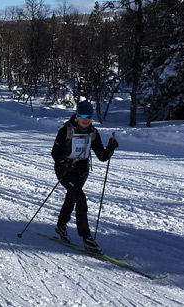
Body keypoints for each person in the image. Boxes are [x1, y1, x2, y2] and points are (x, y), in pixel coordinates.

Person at [51, 100, 118, 254]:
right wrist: (63, 162)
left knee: (72, 198)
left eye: (89, 116)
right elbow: (55, 153)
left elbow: (102, 156)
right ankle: (86, 237)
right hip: (65, 172)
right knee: (80, 199)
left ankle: (61, 226)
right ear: (77, 115)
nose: (86, 120)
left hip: (81, 173)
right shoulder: (65, 131)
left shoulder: (93, 133)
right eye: (84, 116)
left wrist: (110, 148)